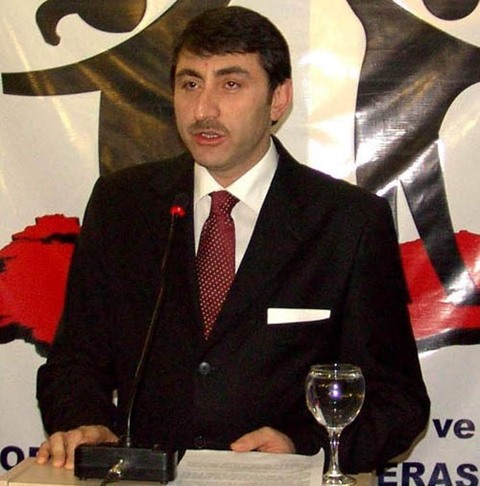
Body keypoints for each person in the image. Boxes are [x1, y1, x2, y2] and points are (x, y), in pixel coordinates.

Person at [36, 5, 430, 474]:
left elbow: (397, 401)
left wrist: (303, 447)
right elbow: (74, 361)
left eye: (231, 84)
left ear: (278, 99)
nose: (204, 110)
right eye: (190, 84)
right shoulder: (123, 205)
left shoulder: (348, 221)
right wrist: (87, 424)